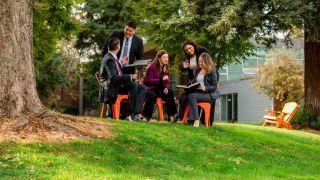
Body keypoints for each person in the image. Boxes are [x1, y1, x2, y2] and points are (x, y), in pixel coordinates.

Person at [99, 37, 146, 121]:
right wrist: (130, 76)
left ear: (109, 47)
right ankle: (131, 114)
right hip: (112, 87)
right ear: (118, 47)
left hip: (115, 84)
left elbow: (114, 71)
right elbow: (114, 77)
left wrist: (120, 61)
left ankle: (135, 113)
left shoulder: (111, 57)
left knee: (142, 88)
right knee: (133, 85)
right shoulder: (110, 59)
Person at [180, 40, 218, 125]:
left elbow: (214, 86)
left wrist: (206, 88)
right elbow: (191, 76)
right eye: (187, 50)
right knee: (186, 95)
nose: (189, 50)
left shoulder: (211, 71)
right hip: (200, 91)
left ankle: (198, 120)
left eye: (190, 48)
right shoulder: (197, 71)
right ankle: (189, 119)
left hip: (209, 93)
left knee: (192, 96)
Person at [142, 50, 177, 122]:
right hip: (149, 88)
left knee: (169, 92)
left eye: (167, 57)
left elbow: (166, 81)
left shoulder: (166, 67)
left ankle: (171, 116)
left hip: (159, 88)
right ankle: (146, 116)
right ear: (159, 58)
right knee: (152, 95)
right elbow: (148, 80)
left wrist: (166, 88)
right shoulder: (152, 65)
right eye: (164, 57)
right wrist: (160, 80)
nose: (166, 59)